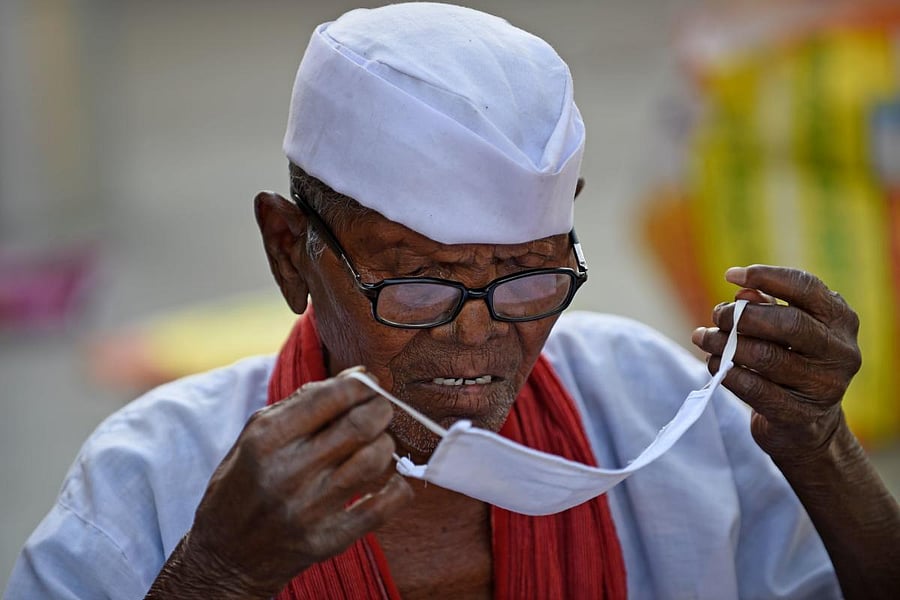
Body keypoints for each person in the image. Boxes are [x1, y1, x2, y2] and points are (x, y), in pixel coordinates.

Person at [7, 4, 899, 599]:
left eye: (530, 279)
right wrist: (216, 574)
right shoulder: (151, 481)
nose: (480, 336)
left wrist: (819, 451)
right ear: (291, 253)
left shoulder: (649, 406)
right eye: (419, 282)